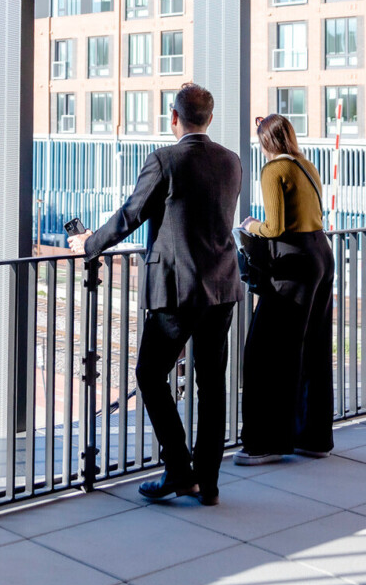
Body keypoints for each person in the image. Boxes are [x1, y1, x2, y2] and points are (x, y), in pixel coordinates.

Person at [68, 83, 242, 506]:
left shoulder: (164, 160)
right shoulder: (231, 161)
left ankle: (180, 471)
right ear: (211, 118)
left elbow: (131, 213)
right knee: (212, 386)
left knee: (149, 374)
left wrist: (89, 244)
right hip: (221, 287)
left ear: (174, 117)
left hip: (177, 290)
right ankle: (209, 484)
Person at [235, 114, 334, 464]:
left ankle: (265, 444)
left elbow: (274, 226)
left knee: (264, 352)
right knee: (313, 348)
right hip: (321, 255)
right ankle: (314, 438)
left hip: (293, 264)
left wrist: (250, 225)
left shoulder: (273, 170)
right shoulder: (306, 164)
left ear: (266, 142)